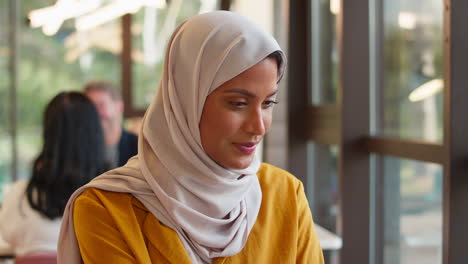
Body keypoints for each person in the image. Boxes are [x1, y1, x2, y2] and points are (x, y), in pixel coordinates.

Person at [58, 11, 324, 264]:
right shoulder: (106, 208)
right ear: (186, 102)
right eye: (239, 103)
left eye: (268, 104)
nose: (259, 126)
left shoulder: (285, 194)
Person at [0, 92, 108, 258]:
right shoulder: (111, 202)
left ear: (47, 134)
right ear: (96, 135)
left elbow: (7, 235)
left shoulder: (19, 197)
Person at [84, 81, 138, 168]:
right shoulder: (79, 148)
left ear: (119, 107)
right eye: (91, 108)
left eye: (101, 105)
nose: (95, 113)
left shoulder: (139, 148)